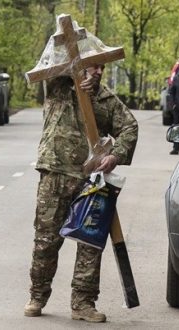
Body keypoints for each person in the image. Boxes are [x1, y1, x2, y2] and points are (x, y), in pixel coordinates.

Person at [24, 64, 138, 323]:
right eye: (92, 66)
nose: (97, 71)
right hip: (55, 172)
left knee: (90, 241)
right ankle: (37, 296)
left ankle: (83, 303)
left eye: (102, 67)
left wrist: (115, 155)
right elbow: (51, 57)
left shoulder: (105, 98)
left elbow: (129, 127)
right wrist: (73, 73)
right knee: (46, 240)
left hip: (90, 179)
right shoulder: (58, 85)